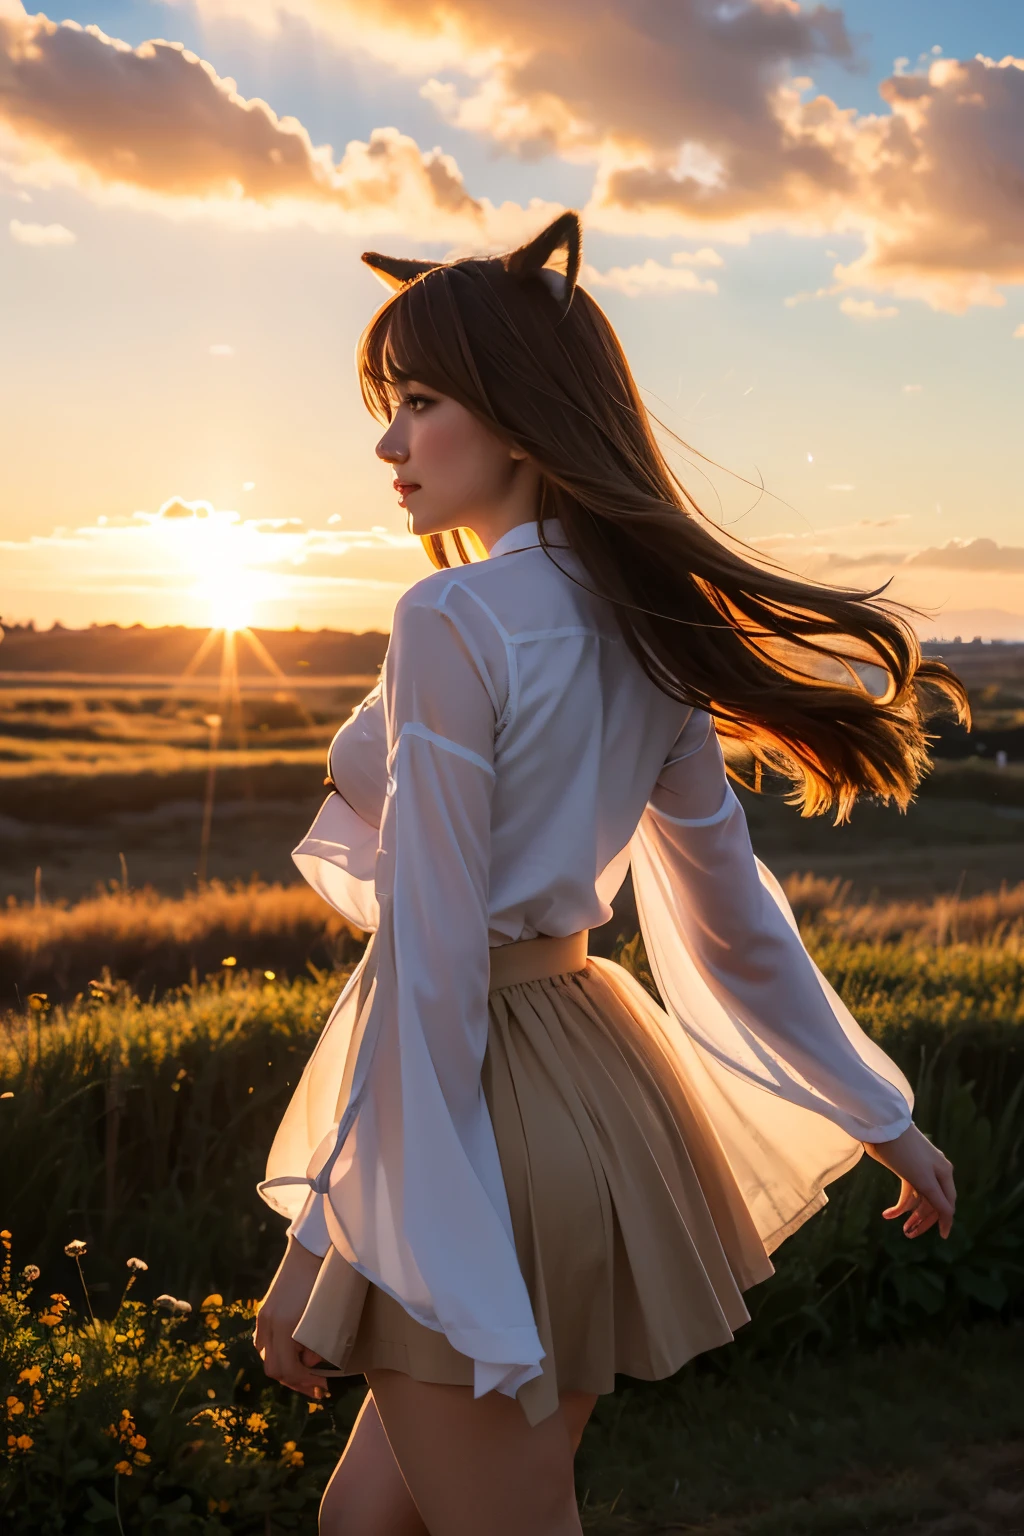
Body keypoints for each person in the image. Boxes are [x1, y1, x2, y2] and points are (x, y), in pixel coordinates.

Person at [252, 211, 962, 1536]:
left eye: (418, 403)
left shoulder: (451, 619)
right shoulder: (643, 629)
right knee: (362, 1527)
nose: (389, 443)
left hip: (476, 1124)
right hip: (593, 1095)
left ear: (517, 420)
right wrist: (881, 1117)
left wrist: (316, 1245)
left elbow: (435, 964)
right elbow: (737, 924)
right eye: (386, 406)